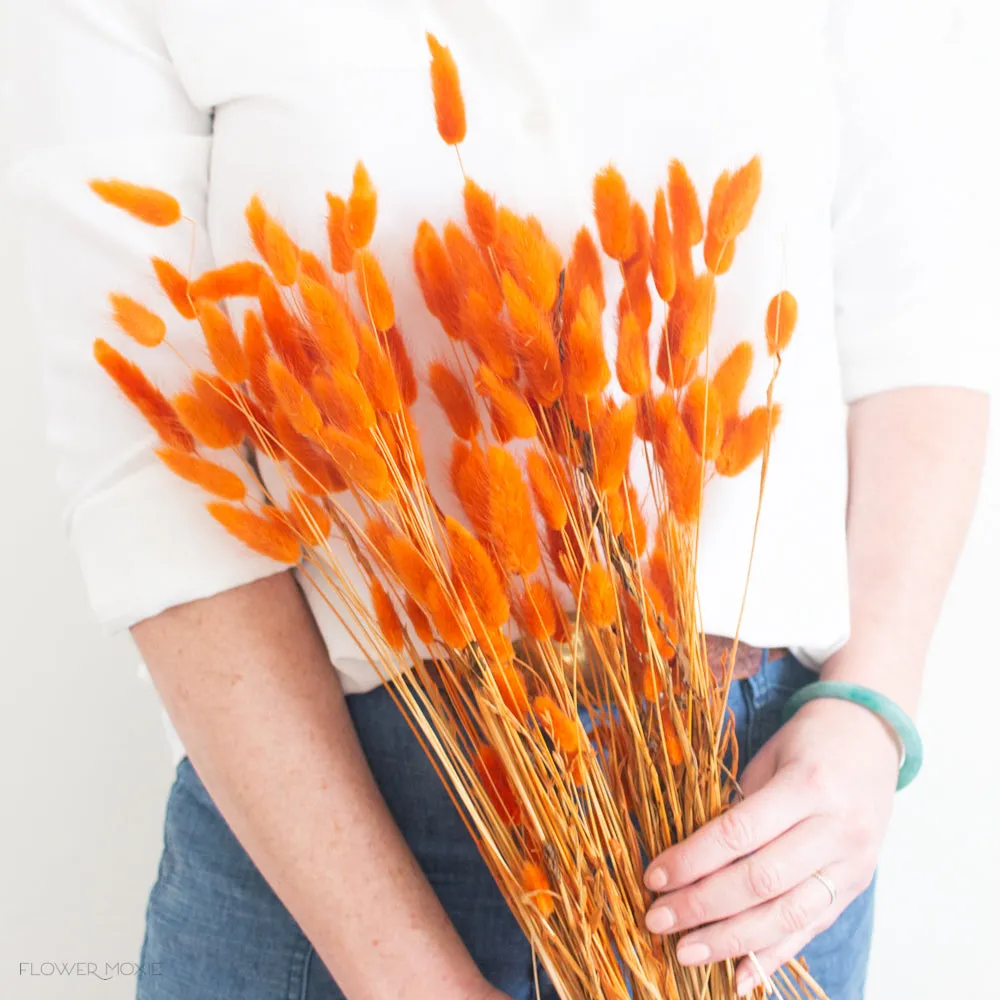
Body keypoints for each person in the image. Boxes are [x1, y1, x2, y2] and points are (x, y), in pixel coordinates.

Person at [5, 2, 991, 999]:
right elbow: (148, 462)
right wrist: (406, 975)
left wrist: (870, 707)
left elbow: (921, 306)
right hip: (341, 846)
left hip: (751, 836)